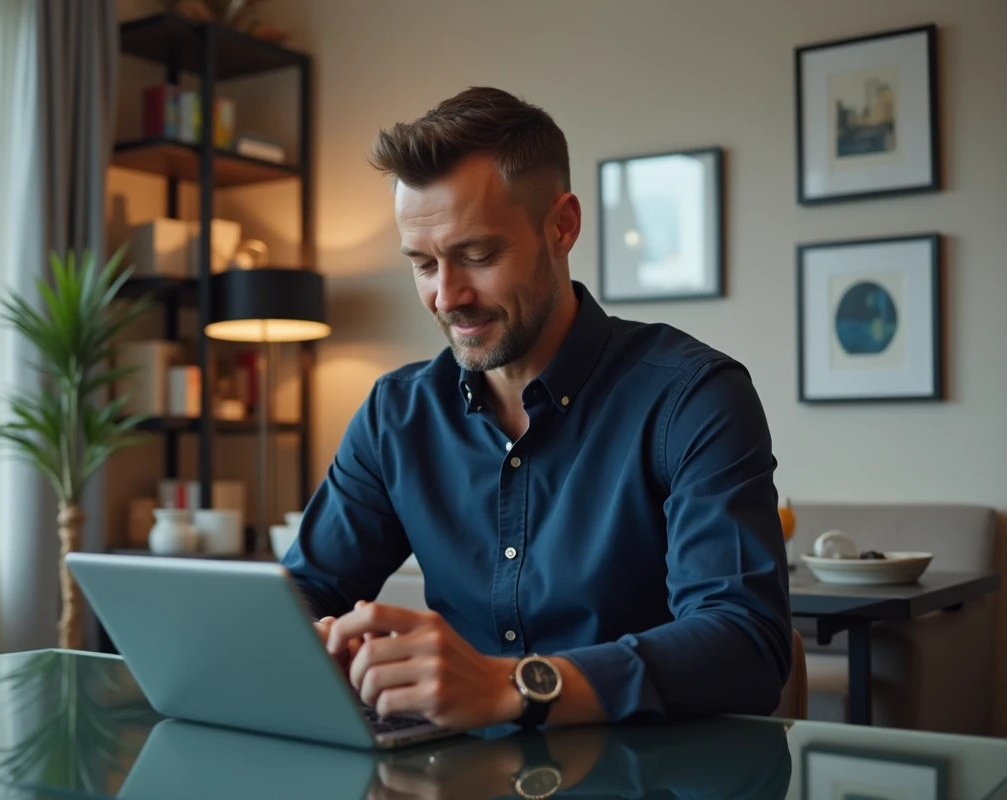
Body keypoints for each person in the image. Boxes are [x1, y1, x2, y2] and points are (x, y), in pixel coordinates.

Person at [281, 86, 791, 732]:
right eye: (423, 264)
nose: (446, 297)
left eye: (477, 256)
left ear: (562, 226)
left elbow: (746, 643)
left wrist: (514, 686)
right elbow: (305, 591)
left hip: (646, 769)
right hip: (451, 767)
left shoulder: (694, 397)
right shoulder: (396, 415)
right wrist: (307, 638)